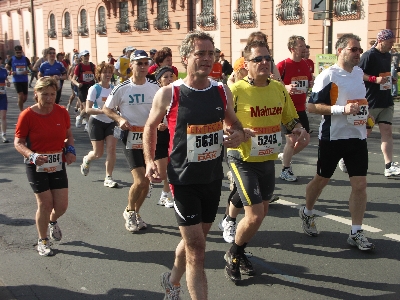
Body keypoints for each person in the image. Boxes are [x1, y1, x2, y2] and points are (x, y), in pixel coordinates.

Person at [143, 30, 245, 299]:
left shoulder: (222, 90)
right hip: (183, 181)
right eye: (200, 53)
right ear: (186, 57)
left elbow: (233, 123)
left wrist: (238, 134)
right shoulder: (170, 93)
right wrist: (150, 160)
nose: (207, 59)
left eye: (211, 53)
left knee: (194, 240)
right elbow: (150, 127)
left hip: (212, 178)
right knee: (198, 250)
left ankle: (171, 280)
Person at [223, 40, 304, 284]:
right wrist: (235, 132)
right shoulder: (236, 90)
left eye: (267, 58)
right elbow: (222, 123)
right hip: (242, 158)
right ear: (246, 64)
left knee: (262, 213)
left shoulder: (278, 89)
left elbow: (290, 119)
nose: (264, 63)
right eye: (258, 59)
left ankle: (239, 249)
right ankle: (233, 254)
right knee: (255, 215)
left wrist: (299, 130)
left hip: (267, 159)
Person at [301, 33, 375, 251]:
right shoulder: (328, 75)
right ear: (340, 50)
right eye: (354, 49)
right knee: (321, 180)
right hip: (332, 137)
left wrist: (367, 120)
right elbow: (312, 106)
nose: (358, 53)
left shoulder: (359, 73)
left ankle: (356, 231)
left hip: (357, 137)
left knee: (360, 185)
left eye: (359, 50)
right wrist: (341, 110)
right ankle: (307, 212)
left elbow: (361, 103)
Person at [14, 77, 76, 256]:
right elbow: (18, 143)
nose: (49, 98)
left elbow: (68, 135)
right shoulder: (27, 115)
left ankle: (52, 221)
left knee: (62, 206)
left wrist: (70, 150)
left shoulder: (62, 112)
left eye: (52, 94)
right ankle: (42, 241)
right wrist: (32, 155)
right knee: (45, 203)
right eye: (45, 94)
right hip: (36, 164)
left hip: (57, 162)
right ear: (36, 94)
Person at [103, 49, 160, 233]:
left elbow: (163, 109)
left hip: (149, 137)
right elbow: (106, 109)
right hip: (131, 137)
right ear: (131, 65)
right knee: (141, 180)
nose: (143, 67)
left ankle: (136, 212)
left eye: (145, 63)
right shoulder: (122, 88)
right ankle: (129, 210)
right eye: (139, 63)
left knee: (148, 181)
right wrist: (119, 120)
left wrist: (163, 122)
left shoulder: (154, 87)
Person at [358, 29, 400, 177]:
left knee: (387, 132)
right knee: (365, 133)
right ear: (381, 41)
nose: (391, 45)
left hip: (386, 100)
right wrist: (374, 79)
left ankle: (389, 165)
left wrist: (390, 79)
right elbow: (358, 73)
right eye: (389, 42)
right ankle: (347, 157)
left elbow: (383, 75)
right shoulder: (368, 55)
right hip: (371, 102)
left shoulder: (388, 56)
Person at [276, 35, 312, 182]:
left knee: (305, 139)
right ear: (292, 48)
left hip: (301, 109)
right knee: (291, 140)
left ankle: (285, 156)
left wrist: (310, 83)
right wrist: (286, 87)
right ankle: (286, 169)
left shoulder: (307, 64)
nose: (304, 48)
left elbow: (308, 80)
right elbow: (271, 84)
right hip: (287, 110)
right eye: (301, 46)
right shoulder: (282, 65)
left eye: (304, 45)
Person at [80, 63, 118, 188]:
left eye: (109, 72)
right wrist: (103, 111)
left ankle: (108, 177)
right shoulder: (94, 89)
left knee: (111, 149)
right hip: (96, 122)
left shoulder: (114, 88)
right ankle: (87, 159)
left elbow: (117, 105)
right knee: (98, 153)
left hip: (111, 122)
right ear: (99, 74)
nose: (107, 75)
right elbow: (88, 109)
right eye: (105, 72)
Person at [151, 66, 175, 208]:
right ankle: (146, 183)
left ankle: (164, 196)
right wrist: (159, 124)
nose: (169, 79)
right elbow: (149, 118)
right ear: (159, 81)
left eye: (171, 76)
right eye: (165, 77)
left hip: (173, 136)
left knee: (172, 168)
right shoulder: (157, 95)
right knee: (162, 174)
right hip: (159, 136)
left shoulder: (178, 94)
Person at [72, 50, 96, 128]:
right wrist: (78, 84)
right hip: (82, 88)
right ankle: (83, 120)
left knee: (90, 107)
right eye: (85, 56)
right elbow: (73, 79)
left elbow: (96, 76)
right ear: (81, 57)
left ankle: (85, 122)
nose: (86, 57)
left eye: (88, 55)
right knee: (86, 107)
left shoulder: (92, 66)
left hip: (91, 87)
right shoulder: (79, 66)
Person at [6, 45, 32, 111]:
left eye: (20, 52)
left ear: (22, 51)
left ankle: (20, 103)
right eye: (17, 52)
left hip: (24, 79)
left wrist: (28, 71)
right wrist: (10, 72)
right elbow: (7, 67)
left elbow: (31, 68)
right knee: (20, 95)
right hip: (16, 80)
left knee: (25, 97)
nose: (19, 54)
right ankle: (21, 110)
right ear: (15, 52)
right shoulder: (12, 59)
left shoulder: (25, 59)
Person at [0, 57, 11, 143]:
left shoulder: (3, 71)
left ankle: (4, 134)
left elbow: (6, 80)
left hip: (3, 95)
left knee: (3, 116)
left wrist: (7, 82)